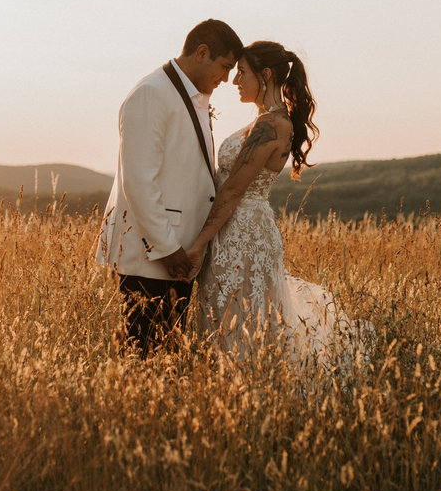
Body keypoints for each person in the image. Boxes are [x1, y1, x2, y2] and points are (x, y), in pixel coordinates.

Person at [187, 41, 374, 365]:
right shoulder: (266, 120)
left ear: (266, 75)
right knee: (233, 319)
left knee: (241, 322)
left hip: (243, 234)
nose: (235, 81)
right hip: (235, 229)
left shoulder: (271, 125)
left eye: (242, 72)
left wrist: (198, 245)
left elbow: (232, 190)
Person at [96, 19, 243, 356]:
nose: (226, 78)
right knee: (145, 357)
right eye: (224, 67)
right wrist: (167, 248)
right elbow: (139, 181)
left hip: (178, 255)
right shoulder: (151, 94)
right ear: (202, 53)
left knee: (165, 357)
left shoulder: (190, 96)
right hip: (155, 256)